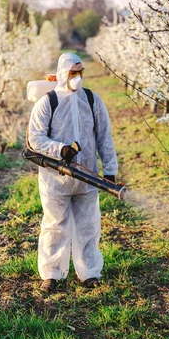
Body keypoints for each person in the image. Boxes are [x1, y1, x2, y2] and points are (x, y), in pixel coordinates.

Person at [27, 52, 118, 293]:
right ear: (62, 74)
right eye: (73, 73)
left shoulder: (91, 100)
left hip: (87, 174)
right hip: (55, 178)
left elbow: (104, 137)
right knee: (55, 225)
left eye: (80, 73)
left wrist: (110, 170)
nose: (77, 78)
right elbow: (35, 138)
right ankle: (51, 274)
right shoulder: (48, 102)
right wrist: (60, 149)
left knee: (88, 225)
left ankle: (89, 273)